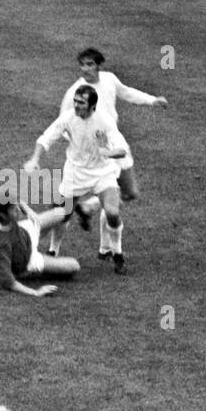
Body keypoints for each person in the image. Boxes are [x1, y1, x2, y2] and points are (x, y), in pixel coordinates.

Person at [55, 47, 168, 258]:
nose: (85, 69)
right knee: (111, 198)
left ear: (99, 65)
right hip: (94, 155)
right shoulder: (74, 92)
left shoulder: (109, 80)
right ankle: (106, 249)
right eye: (82, 64)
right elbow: (62, 125)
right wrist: (83, 144)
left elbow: (126, 92)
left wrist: (152, 100)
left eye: (90, 64)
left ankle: (90, 206)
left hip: (115, 144)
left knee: (130, 193)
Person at [24, 85, 129, 272]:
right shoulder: (69, 118)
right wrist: (34, 159)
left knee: (112, 212)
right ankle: (53, 251)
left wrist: (109, 152)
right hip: (75, 173)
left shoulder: (104, 121)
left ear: (92, 106)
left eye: (81, 102)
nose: (76, 105)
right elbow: (46, 138)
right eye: (75, 101)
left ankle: (117, 253)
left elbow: (122, 149)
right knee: (61, 214)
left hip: (102, 173)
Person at [0, 201, 80, 296]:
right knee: (74, 266)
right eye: (13, 209)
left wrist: (30, 212)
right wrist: (36, 292)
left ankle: (53, 249)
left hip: (25, 231)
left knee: (63, 212)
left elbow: (16, 199)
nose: (18, 210)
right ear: (3, 215)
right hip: (28, 260)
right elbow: (8, 282)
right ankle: (50, 263)